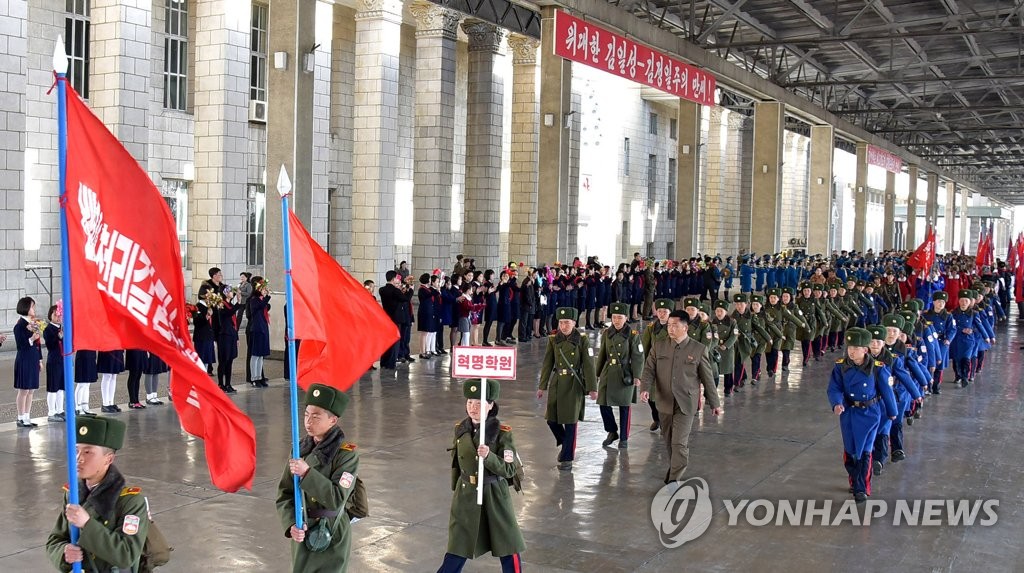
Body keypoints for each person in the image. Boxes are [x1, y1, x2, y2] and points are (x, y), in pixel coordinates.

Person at [437, 379, 525, 573]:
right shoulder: (461, 429)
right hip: (467, 494)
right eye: (469, 402)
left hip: (493, 494)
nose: (473, 408)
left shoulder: (502, 434)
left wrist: (489, 457)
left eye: (479, 403)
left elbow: (509, 470)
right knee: (458, 544)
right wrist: (457, 488)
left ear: (491, 405)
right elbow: (457, 464)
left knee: (507, 544)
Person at [46, 416, 149, 572]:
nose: (79, 458)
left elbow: (126, 555)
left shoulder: (130, 501)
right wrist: (64, 552)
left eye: (88, 452)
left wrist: (87, 524)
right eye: (76, 450)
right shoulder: (72, 495)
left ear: (108, 459)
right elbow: (55, 539)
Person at [276, 384, 360, 573]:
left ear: (333, 420)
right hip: (304, 530)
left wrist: (307, 473)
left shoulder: (346, 455)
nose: (308, 422)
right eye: (306, 415)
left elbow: (337, 498)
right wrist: (291, 524)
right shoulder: (300, 450)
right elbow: (285, 494)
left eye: (316, 416)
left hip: (332, 532)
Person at [639, 310, 722, 485]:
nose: (670, 329)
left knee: (679, 443)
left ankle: (674, 479)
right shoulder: (659, 346)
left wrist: (715, 403)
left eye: (675, 325)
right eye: (669, 325)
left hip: (686, 404)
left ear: (685, 328)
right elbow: (648, 370)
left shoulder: (698, 349)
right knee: (669, 442)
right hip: (664, 402)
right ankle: (674, 468)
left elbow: (708, 379)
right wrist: (645, 388)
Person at [826, 327, 898, 504]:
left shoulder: (877, 368)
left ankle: (862, 487)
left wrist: (892, 412)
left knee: (865, 451)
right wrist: (836, 403)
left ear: (865, 350)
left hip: (870, 414)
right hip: (849, 413)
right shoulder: (841, 367)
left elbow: (887, 392)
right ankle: (854, 480)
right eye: (850, 347)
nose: (851, 351)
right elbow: (834, 388)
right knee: (850, 451)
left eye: (856, 348)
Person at [537, 307, 597, 471]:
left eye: (567, 323)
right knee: (551, 419)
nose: (563, 326)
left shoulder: (582, 340)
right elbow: (547, 364)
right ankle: (565, 443)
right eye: (561, 322)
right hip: (557, 382)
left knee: (570, 422)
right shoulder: (553, 340)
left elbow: (589, 365)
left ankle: (567, 458)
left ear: (574, 323)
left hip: (573, 383)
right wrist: (542, 385)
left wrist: (592, 388)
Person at [596, 302, 644, 449]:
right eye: (614, 317)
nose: (616, 320)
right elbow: (602, 355)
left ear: (626, 318)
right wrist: (596, 374)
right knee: (603, 404)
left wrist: (637, 376)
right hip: (608, 372)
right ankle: (612, 431)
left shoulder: (632, 335)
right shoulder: (607, 333)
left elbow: (638, 356)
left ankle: (624, 437)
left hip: (625, 373)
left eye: (620, 317)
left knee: (624, 406)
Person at [640, 299, 674, 432]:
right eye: (659, 311)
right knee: (652, 397)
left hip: (670, 366)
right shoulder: (651, 328)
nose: (661, 314)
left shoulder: (675, 327)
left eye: (664, 312)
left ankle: (667, 422)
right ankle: (657, 418)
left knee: (667, 396)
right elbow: (645, 346)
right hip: (654, 366)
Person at [14, 296, 43, 427]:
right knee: (24, 389)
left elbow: (38, 344)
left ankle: (27, 416)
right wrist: (31, 338)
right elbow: (20, 345)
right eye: (32, 306)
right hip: (24, 358)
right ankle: (20, 417)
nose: (33, 309)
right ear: (25, 307)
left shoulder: (33, 323)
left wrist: (40, 360)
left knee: (31, 390)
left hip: (33, 358)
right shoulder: (20, 325)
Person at [379, 270, 415, 369]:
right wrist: (411, 290)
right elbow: (405, 299)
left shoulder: (382, 289)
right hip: (396, 318)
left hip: (386, 316)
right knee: (395, 341)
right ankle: (391, 363)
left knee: (386, 341)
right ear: (393, 278)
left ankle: (384, 362)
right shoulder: (395, 291)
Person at [43, 305, 66, 422]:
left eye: (59, 314)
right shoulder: (48, 329)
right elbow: (50, 345)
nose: (58, 317)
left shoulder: (63, 328)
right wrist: (58, 337)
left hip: (63, 360)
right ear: (50, 315)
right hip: (54, 360)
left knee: (61, 387)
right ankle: (51, 412)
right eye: (55, 314)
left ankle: (60, 410)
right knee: (53, 387)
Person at [249, 278, 272, 387]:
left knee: (261, 355)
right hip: (257, 329)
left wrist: (266, 298)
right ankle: (254, 378)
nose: (264, 290)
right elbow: (261, 305)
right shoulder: (254, 300)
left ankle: (260, 377)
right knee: (255, 355)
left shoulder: (262, 300)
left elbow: (266, 306)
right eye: (263, 289)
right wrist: (267, 297)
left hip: (263, 328)